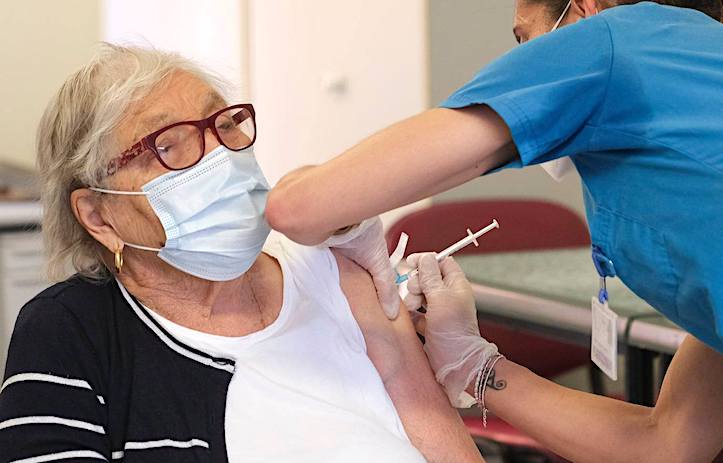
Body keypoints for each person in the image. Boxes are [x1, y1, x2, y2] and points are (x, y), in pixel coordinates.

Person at [266, 0, 723, 461]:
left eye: (525, 44)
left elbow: (299, 208)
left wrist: (340, 216)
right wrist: (475, 364)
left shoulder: (609, 43)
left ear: (584, 16)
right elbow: (671, 443)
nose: (519, 68)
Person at [0, 44, 482, 463]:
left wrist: (480, 367)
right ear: (100, 217)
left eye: (224, 124)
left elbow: (448, 452)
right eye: (167, 145)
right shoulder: (69, 331)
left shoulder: (337, 274)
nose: (219, 156)